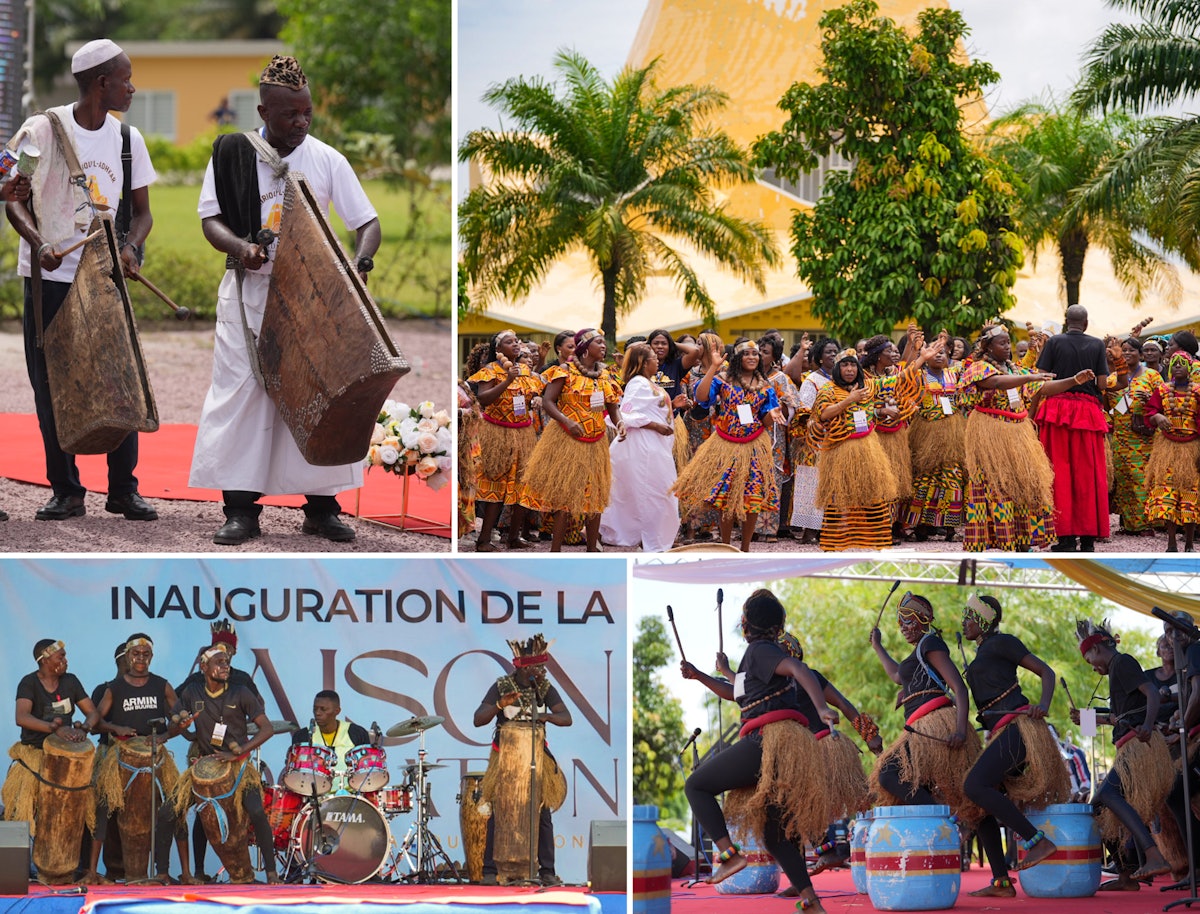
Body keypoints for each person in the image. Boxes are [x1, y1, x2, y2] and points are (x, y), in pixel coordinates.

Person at [189, 55, 381, 546]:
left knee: (318, 395)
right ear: (263, 111)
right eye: (289, 115)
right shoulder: (232, 153)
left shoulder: (326, 158)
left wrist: (359, 264)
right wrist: (241, 248)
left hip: (315, 299)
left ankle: (321, 509)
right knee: (243, 397)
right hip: (247, 295)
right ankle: (240, 512)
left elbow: (368, 223)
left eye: (306, 113)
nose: (300, 123)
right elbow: (211, 220)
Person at [5, 38, 158, 523]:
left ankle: (122, 489)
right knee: (51, 383)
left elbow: (143, 214)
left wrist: (131, 249)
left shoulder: (128, 140)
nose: (132, 88)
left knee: (119, 377)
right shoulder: (39, 132)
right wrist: (39, 243)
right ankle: (67, 492)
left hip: (103, 275)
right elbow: (10, 195)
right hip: (48, 278)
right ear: (101, 83)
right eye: (126, 79)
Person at [680, 589, 838, 912]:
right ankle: (811, 901)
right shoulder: (759, 658)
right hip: (784, 749)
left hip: (766, 743)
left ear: (746, 625)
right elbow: (736, 691)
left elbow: (798, 669)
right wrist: (700, 675)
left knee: (695, 785)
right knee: (774, 832)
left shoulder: (759, 651)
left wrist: (821, 708)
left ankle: (729, 854)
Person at [959, 595, 1068, 897]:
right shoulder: (981, 652)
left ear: (983, 620)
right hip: (999, 731)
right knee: (978, 807)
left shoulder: (1003, 642)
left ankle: (1037, 841)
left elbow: (1047, 671)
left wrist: (1043, 704)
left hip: (1018, 730)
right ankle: (1001, 882)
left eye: (969, 617)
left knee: (974, 785)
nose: (963, 622)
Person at [156, 645, 280, 883]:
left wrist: (239, 752)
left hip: (239, 767)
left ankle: (272, 871)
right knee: (168, 812)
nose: (225, 666)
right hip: (204, 765)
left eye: (227, 662)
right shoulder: (192, 692)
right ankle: (165, 873)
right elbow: (173, 727)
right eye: (219, 662)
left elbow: (267, 728)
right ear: (204, 667)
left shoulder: (241, 692)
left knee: (255, 809)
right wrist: (179, 727)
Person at [959, 324, 1087, 552]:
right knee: (997, 485)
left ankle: (1023, 538)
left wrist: (1074, 381)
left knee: (1026, 483)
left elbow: (1044, 387)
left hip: (1018, 432)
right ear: (988, 346)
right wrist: (1031, 377)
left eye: (1008, 342)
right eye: (1002, 343)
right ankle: (999, 538)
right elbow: (996, 382)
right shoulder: (977, 368)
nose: (1007, 347)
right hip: (990, 432)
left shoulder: (1015, 370)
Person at [808, 338, 943, 551]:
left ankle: (875, 542)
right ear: (837, 368)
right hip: (840, 449)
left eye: (853, 365)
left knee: (873, 494)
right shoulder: (828, 390)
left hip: (868, 447)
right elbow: (823, 414)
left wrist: (921, 359)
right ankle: (836, 545)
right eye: (845, 365)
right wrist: (848, 401)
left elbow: (899, 379)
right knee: (839, 498)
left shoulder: (868, 386)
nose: (850, 369)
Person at [1072, 618, 1173, 889]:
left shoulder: (1122, 662)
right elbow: (1120, 717)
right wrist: (1087, 720)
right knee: (1097, 807)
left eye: (1090, 660)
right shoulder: (1117, 669)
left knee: (1106, 794)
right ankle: (1126, 877)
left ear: (1098, 648)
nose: (1093, 667)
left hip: (1138, 748)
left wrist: (1149, 727)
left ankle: (1153, 855)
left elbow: (1152, 692)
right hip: (1129, 744)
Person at [88, 634, 193, 884]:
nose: (141, 659)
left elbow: (180, 719)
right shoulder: (115, 688)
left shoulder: (161, 685)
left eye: (146, 655)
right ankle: (92, 871)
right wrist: (115, 728)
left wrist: (166, 735)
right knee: (103, 807)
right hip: (120, 755)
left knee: (175, 807)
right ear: (128, 656)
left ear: (151, 657)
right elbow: (96, 720)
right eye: (136, 654)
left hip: (156, 758)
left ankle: (186, 873)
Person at [868, 594, 980, 819]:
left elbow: (958, 686)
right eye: (901, 622)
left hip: (933, 726)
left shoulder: (930, 643)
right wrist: (877, 646)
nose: (903, 627)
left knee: (889, 774)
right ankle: (937, 829)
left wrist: (960, 731)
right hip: (918, 728)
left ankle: (942, 817)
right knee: (911, 781)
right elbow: (898, 675)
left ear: (923, 620)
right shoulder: (918, 649)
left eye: (909, 621)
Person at [472, 634, 570, 887]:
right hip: (506, 758)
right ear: (523, 668)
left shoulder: (544, 688)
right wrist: (498, 705)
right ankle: (490, 871)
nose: (541, 672)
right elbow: (478, 718)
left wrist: (546, 717)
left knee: (542, 811)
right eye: (537, 668)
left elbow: (566, 717)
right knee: (499, 809)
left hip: (535, 754)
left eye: (542, 668)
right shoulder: (502, 686)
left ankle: (547, 871)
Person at [2, 639, 101, 884]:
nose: (65, 661)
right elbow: (21, 717)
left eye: (65, 656)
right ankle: (11, 877)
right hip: (34, 755)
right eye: (60, 657)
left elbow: (93, 711)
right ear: (44, 660)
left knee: (83, 807)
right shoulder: (29, 683)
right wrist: (52, 728)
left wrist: (85, 727)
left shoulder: (71, 681)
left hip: (66, 758)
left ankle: (74, 872)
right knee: (17, 810)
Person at [671, 336, 781, 551]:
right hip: (726, 444)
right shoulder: (722, 379)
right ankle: (726, 545)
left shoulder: (766, 386)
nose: (752, 357)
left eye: (755, 354)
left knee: (753, 497)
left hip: (754, 445)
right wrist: (713, 367)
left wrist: (774, 414)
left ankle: (746, 548)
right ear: (738, 358)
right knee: (727, 497)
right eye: (747, 353)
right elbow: (701, 397)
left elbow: (766, 420)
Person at [518, 328, 622, 552]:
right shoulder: (565, 371)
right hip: (567, 439)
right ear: (585, 348)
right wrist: (567, 422)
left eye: (605, 343)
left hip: (596, 441)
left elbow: (613, 408)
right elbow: (548, 401)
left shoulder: (605, 376)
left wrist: (620, 423)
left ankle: (592, 548)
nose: (604, 347)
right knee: (565, 494)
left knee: (595, 494)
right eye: (599, 343)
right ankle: (555, 549)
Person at [1033, 305, 1110, 551]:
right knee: (1089, 474)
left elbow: (1041, 381)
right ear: (1086, 323)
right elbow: (1101, 383)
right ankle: (1088, 539)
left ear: (1066, 322)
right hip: (1087, 413)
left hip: (1056, 412)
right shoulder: (1098, 344)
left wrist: (1032, 415)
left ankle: (1064, 538)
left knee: (1059, 472)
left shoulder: (1054, 342)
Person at [466, 329, 545, 551]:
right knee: (495, 486)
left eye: (516, 341)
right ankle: (483, 540)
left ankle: (513, 537)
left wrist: (537, 397)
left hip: (524, 434)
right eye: (509, 342)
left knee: (522, 485)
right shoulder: (491, 370)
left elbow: (536, 392)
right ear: (498, 349)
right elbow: (483, 399)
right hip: (497, 432)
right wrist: (508, 380)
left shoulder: (526, 371)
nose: (516, 344)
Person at [598, 342, 679, 552]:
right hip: (644, 445)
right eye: (653, 357)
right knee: (655, 491)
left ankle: (651, 536)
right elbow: (625, 413)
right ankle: (650, 538)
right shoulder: (638, 383)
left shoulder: (647, 383)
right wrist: (656, 426)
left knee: (655, 491)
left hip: (654, 445)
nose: (657, 359)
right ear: (644, 363)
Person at [904, 339, 965, 541]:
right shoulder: (919, 375)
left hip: (953, 433)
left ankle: (950, 529)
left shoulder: (954, 374)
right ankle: (921, 526)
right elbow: (903, 376)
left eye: (943, 352)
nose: (939, 355)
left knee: (952, 478)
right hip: (926, 432)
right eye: (935, 352)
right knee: (925, 478)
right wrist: (918, 354)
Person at [1143, 352, 1200, 552]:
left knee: (1189, 494)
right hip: (1166, 449)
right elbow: (1149, 411)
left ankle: (1190, 543)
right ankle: (1171, 543)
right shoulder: (1163, 389)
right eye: (1174, 364)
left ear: (1190, 367)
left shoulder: (1198, 391)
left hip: (1192, 449)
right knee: (1167, 493)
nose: (1177, 367)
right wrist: (1157, 416)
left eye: (1182, 364)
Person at [1105, 335, 1161, 535]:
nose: (1127, 353)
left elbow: (1163, 403)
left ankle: (1145, 524)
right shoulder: (1112, 380)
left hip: (1144, 438)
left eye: (1131, 350)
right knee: (1125, 480)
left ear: (1140, 354)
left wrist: (1151, 400)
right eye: (1124, 350)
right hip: (1121, 437)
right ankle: (1128, 524)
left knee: (1142, 479)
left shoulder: (1152, 376)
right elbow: (1106, 408)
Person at [787, 336, 837, 544]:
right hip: (815, 439)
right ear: (818, 357)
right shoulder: (812, 380)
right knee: (810, 482)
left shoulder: (841, 379)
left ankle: (828, 529)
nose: (833, 355)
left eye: (836, 352)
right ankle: (809, 530)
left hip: (837, 438)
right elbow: (804, 409)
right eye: (828, 352)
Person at [290, 689, 371, 790]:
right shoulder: (303, 736)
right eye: (315, 709)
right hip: (314, 797)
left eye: (323, 709)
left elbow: (366, 771)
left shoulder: (357, 733)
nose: (317, 713)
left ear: (337, 711)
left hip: (350, 796)